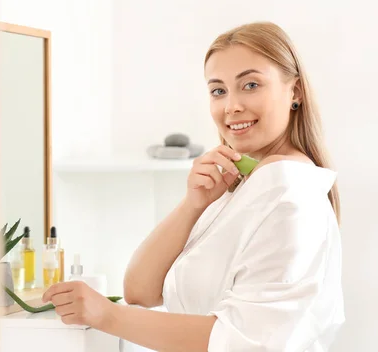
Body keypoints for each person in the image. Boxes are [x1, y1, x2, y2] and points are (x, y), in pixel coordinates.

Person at [42, 21, 345, 351]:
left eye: (251, 85)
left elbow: (244, 343)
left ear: (295, 92)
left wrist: (107, 315)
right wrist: (193, 205)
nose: (231, 106)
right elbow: (140, 291)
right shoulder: (245, 185)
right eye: (218, 90)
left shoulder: (288, 190)